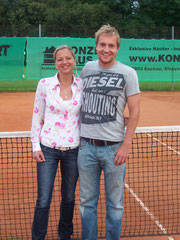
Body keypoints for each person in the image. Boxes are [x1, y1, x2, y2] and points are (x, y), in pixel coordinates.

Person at [77, 24, 140, 240]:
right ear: (96, 47)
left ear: (117, 48)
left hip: (114, 149)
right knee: (87, 202)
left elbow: (135, 111)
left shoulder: (128, 73)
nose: (106, 49)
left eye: (111, 46)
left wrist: (126, 144)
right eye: (102, 45)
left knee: (115, 204)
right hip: (85, 147)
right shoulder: (87, 68)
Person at [31, 45, 83, 240]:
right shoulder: (44, 84)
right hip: (48, 149)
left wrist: (119, 118)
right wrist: (35, 146)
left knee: (69, 198)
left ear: (74, 60)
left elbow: (95, 110)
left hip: (74, 151)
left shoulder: (82, 85)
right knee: (43, 199)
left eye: (68, 58)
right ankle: (38, 237)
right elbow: (37, 116)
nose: (64, 62)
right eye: (60, 59)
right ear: (55, 63)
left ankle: (65, 235)